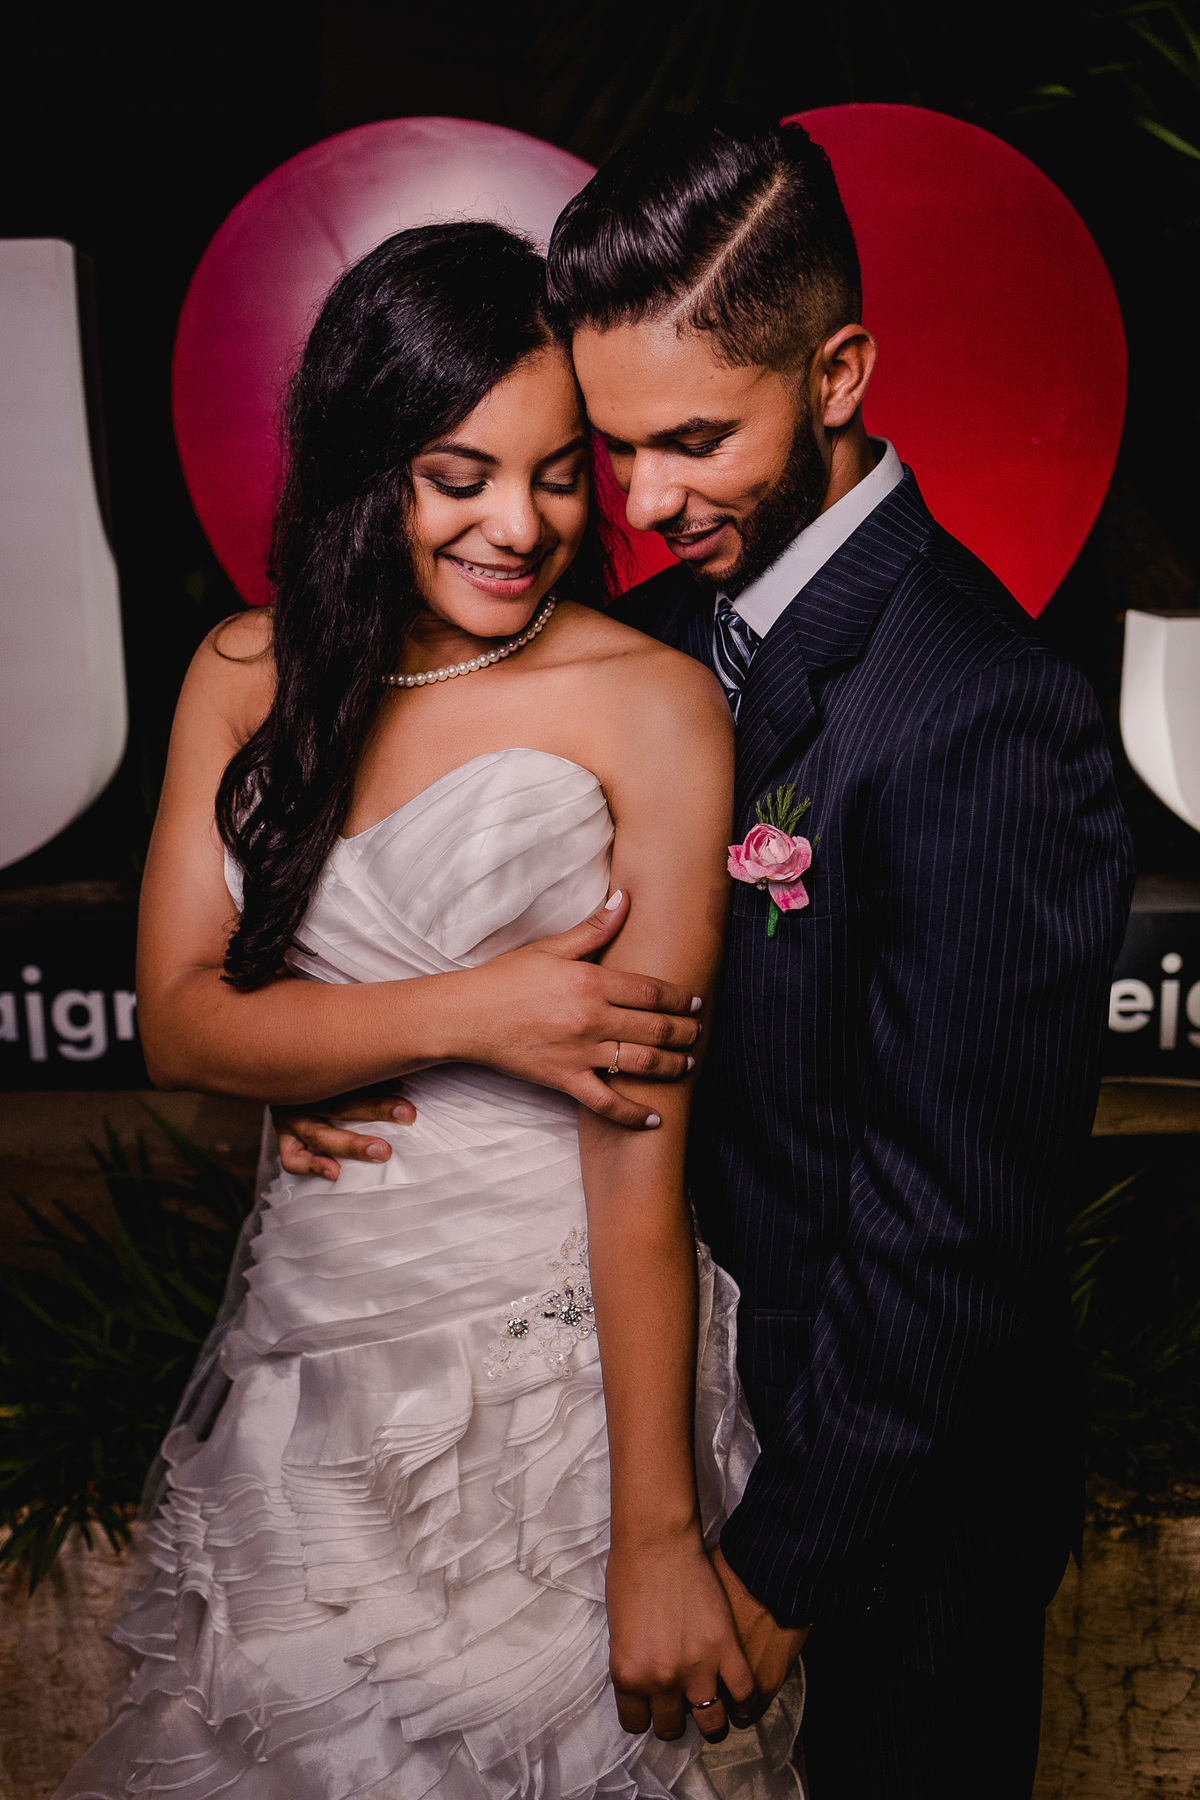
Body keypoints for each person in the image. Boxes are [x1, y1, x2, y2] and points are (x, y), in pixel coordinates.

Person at [283, 115, 1136, 1798]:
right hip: (625, 1453)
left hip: (882, 1528)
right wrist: (378, 1079)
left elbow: (952, 1230)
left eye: (691, 442)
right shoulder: (657, 632)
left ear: (840, 372)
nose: (645, 502)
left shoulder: (988, 713)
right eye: (613, 449)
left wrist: (772, 1575)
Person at [56, 221, 805, 1800]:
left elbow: (637, 1156)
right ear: (368, 460)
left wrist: (657, 1537)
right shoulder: (246, 673)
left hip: (555, 1389)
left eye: (554, 476)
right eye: (460, 474)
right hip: (309, 1373)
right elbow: (183, 1026)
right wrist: (481, 1011)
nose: (519, 525)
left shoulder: (651, 705)